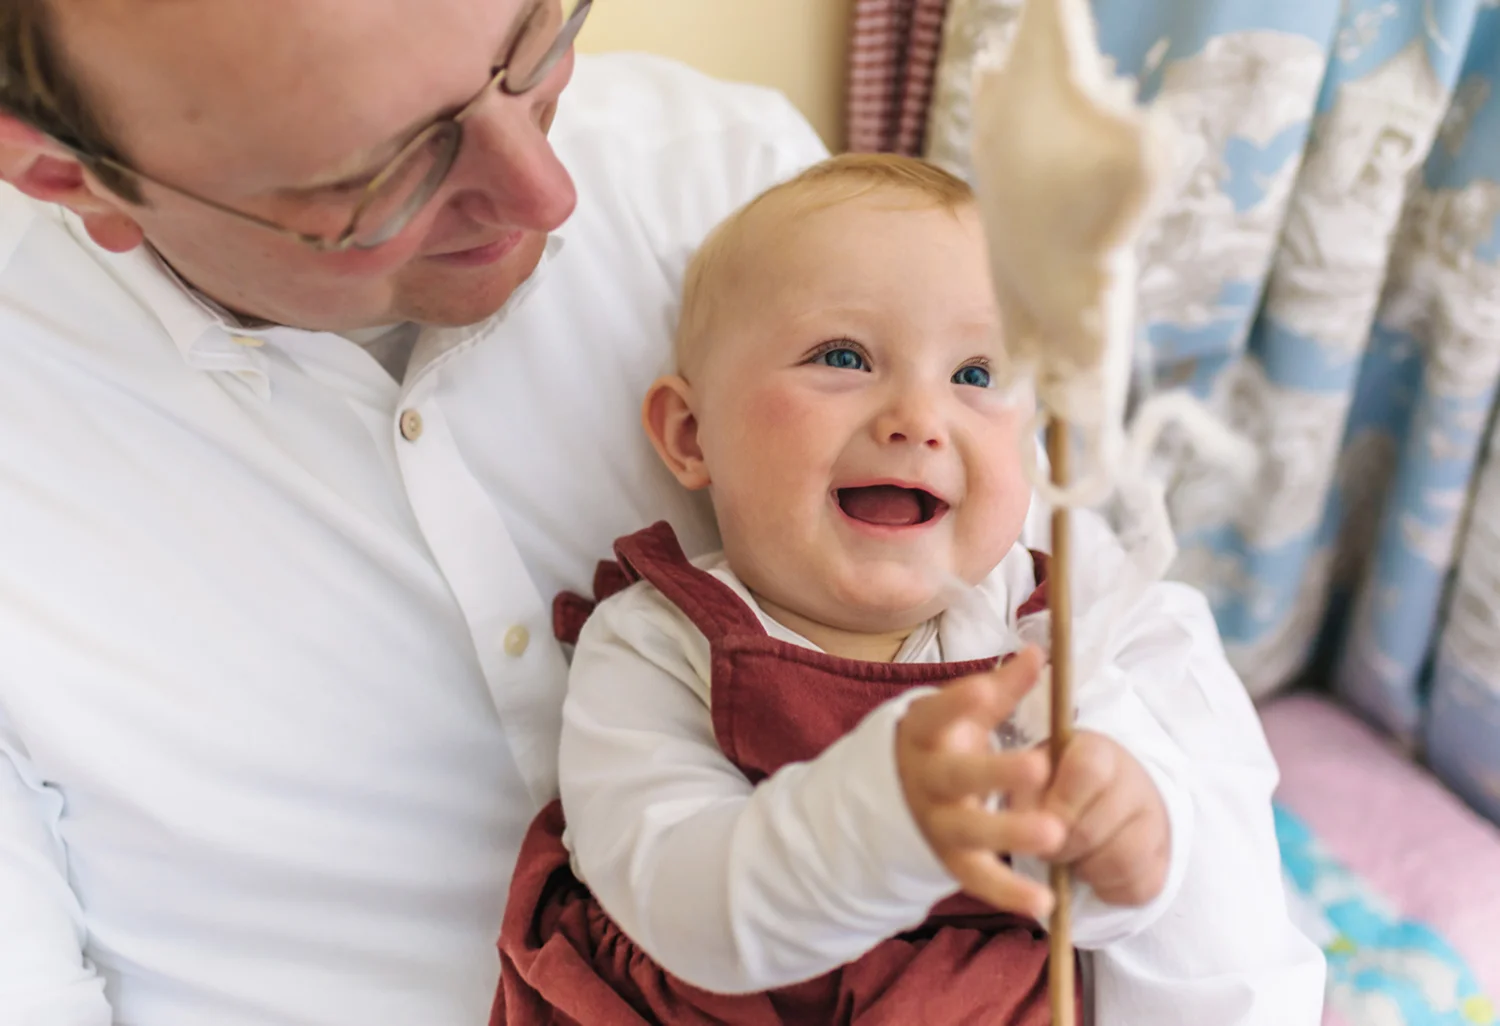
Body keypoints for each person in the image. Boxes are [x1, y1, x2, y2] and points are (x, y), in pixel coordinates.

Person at [0, 2, 833, 1024]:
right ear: (65, 173)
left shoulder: (731, 180)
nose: (547, 191)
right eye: (380, 169)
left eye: (531, 42)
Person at [496, 155, 1328, 1024]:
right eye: (844, 357)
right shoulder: (655, 646)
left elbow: (1142, 887)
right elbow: (679, 901)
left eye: (976, 376)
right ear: (691, 434)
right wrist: (883, 821)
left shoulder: (1031, 632)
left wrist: (1121, 841)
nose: (919, 419)